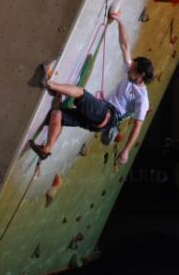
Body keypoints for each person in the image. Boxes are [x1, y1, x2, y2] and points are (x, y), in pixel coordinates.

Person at [29, 12, 154, 164]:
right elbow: (124, 46)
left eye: (132, 69)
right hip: (99, 119)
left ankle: (48, 82)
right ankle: (46, 149)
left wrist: (126, 151)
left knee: (80, 92)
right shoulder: (131, 73)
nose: (129, 69)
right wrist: (120, 21)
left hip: (106, 116)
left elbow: (137, 127)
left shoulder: (142, 99)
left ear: (140, 75)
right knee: (58, 112)